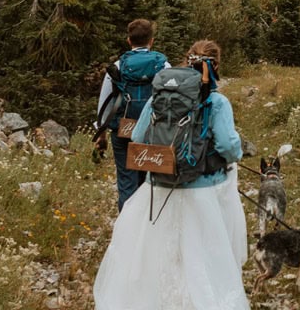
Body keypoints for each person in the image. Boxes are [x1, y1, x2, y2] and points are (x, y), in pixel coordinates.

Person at [93, 40, 249, 310]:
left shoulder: (159, 97)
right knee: (202, 254)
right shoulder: (217, 101)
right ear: (216, 66)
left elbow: (140, 136)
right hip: (202, 192)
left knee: (159, 253)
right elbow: (228, 147)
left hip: (160, 186)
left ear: (186, 62)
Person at [94, 19, 170, 211]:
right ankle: (149, 230)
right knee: (151, 181)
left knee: (127, 182)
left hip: (123, 130)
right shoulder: (163, 65)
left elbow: (105, 103)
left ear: (129, 40)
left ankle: (127, 230)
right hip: (153, 131)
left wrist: (101, 132)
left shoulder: (118, 67)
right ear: (151, 41)